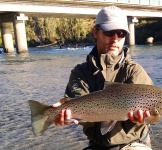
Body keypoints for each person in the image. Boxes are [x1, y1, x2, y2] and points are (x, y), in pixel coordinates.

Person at [53, 6, 154, 150]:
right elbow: (77, 109)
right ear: (95, 32)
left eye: (120, 33)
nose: (115, 39)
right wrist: (65, 115)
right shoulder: (80, 73)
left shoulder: (134, 71)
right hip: (97, 145)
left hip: (133, 143)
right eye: (109, 32)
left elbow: (154, 114)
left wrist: (146, 118)